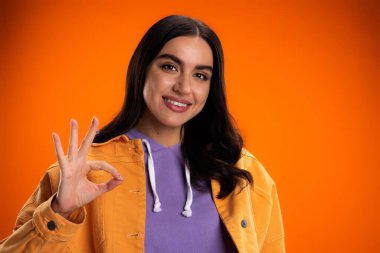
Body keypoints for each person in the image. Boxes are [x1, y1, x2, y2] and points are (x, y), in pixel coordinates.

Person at [0, 15, 285, 253]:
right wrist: (60, 211)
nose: (184, 88)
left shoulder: (244, 172)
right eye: (170, 67)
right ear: (142, 69)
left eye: (200, 75)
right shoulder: (84, 171)